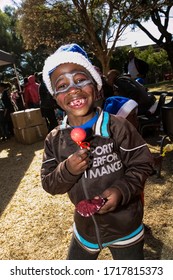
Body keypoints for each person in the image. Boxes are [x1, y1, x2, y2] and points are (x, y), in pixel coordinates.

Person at [41, 43, 154, 260]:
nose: (73, 89)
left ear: (96, 84)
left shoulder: (118, 127)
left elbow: (143, 163)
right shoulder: (54, 140)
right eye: (62, 85)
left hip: (125, 227)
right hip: (86, 231)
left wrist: (121, 191)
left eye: (81, 80)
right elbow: (49, 184)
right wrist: (67, 170)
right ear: (55, 97)